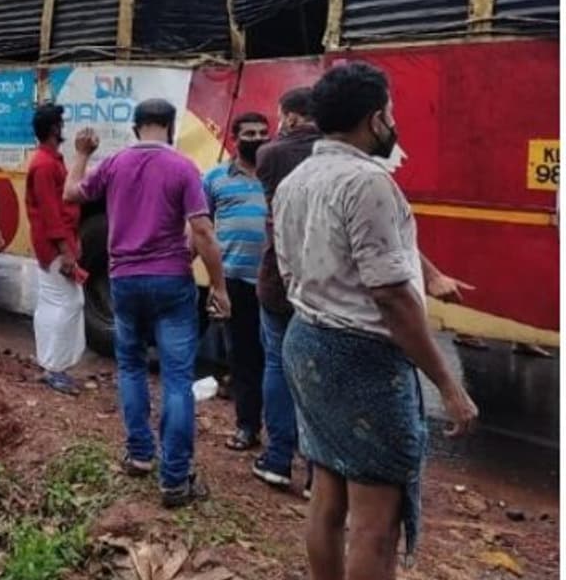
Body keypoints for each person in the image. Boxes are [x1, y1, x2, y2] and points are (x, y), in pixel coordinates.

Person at [273, 62, 478, 578]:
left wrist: (429, 273)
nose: (394, 123)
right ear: (375, 119)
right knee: (375, 525)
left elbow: (292, 267)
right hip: (362, 360)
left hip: (307, 342)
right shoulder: (368, 183)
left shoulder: (297, 180)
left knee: (327, 494)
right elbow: (391, 296)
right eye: (391, 112)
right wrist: (449, 386)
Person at [64, 99, 230, 509]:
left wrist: (82, 153)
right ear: (170, 127)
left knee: (132, 367)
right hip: (171, 281)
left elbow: (71, 192)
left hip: (124, 281)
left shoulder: (115, 164)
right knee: (177, 378)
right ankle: (174, 479)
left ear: (136, 127)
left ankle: (139, 454)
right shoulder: (183, 167)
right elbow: (202, 231)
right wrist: (219, 287)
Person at [252, 87, 323, 496]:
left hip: (277, 275)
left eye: (280, 116)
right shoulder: (337, 154)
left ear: (292, 117)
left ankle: (278, 459)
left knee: (278, 364)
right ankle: (318, 471)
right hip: (323, 280)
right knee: (317, 373)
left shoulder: (270, 155)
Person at [203, 112, 271, 452]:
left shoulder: (277, 176)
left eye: (262, 133)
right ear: (234, 139)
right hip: (234, 282)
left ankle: (285, 436)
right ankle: (247, 427)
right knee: (243, 358)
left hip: (274, 283)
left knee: (278, 361)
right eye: (250, 133)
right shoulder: (215, 178)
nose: (257, 139)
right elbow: (200, 229)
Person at [24, 105, 85, 395]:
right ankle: (55, 368)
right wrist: (66, 251)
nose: (63, 128)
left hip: (52, 244)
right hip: (54, 246)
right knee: (69, 303)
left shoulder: (47, 161)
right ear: (54, 129)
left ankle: (51, 364)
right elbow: (51, 212)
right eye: (60, 123)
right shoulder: (46, 165)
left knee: (52, 302)